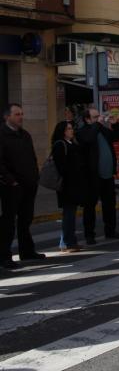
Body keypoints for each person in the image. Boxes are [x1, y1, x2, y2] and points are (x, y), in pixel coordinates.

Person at [0, 104, 44, 268]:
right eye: (17, 114)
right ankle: (4, 256)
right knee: (8, 222)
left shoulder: (25, 135)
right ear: (7, 117)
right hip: (11, 187)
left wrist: (35, 176)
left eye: (22, 114)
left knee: (26, 219)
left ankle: (27, 251)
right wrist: (11, 180)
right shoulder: (2, 135)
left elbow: (31, 157)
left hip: (29, 184)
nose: (21, 117)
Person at [76, 107, 119, 243]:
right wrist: (98, 123)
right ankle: (89, 235)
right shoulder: (83, 132)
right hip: (92, 176)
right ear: (87, 119)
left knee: (109, 204)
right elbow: (88, 139)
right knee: (90, 206)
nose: (99, 119)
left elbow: (118, 136)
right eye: (95, 117)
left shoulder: (101, 130)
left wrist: (115, 123)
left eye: (99, 116)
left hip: (108, 175)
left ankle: (110, 230)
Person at [51, 121, 86, 253]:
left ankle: (69, 241)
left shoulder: (72, 143)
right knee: (68, 214)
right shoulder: (60, 145)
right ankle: (67, 242)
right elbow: (62, 167)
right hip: (67, 186)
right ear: (63, 131)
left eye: (72, 128)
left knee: (71, 214)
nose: (72, 131)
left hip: (75, 185)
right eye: (69, 129)